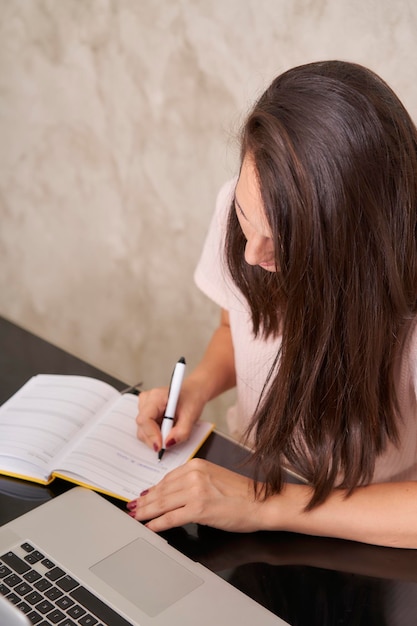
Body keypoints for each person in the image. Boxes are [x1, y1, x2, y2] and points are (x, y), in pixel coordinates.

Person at [129, 60, 417, 549]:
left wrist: (265, 504)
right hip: (253, 485)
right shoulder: (249, 204)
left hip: (369, 532)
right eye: (245, 216)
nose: (251, 253)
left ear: (359, 240)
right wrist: (197, 387)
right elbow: (235, 329)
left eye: (284, 241)